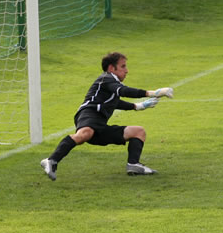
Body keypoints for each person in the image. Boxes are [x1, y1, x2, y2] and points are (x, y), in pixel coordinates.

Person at [40, 52, 173, 180]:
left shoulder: (111, 85)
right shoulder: (106, 79)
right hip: (89, 114)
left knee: (138, 132)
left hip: (100, 126)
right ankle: (51, 160)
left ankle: (133, 164)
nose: (126, 70)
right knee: (85, 133)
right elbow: (123, 91)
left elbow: (115, 102)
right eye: (123, 66)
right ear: (111, 68)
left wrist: (138, 106)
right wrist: (153, 93)